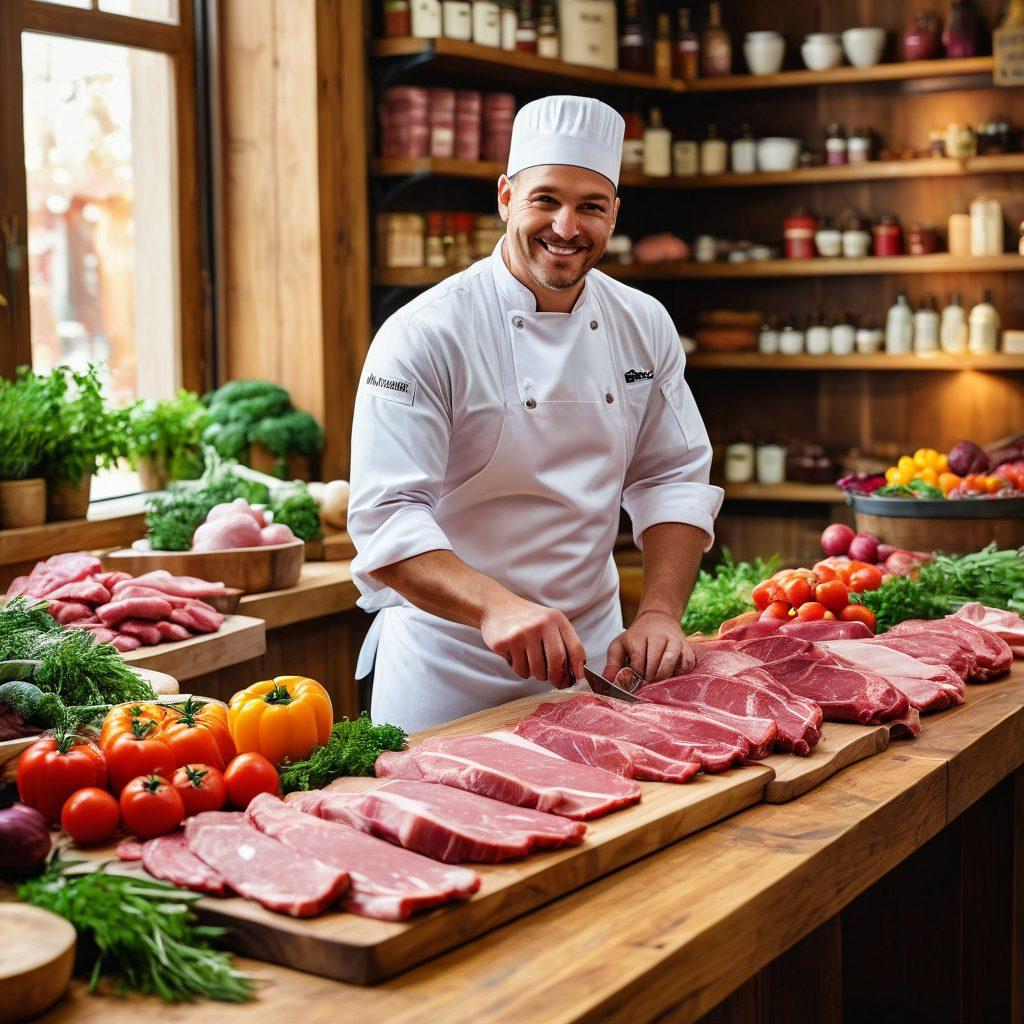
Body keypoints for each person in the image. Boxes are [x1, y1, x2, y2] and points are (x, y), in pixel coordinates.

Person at [349, 95, 723, 732]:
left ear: (615, 215)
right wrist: (496, 607)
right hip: (449, 669)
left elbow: (671, 480)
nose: (567, 227)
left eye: (591, 207)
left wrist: (659, 612)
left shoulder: (643, 322)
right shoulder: (426, 333)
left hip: (593, 660)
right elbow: (387, 522)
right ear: (504, 197)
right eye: (545, 199)